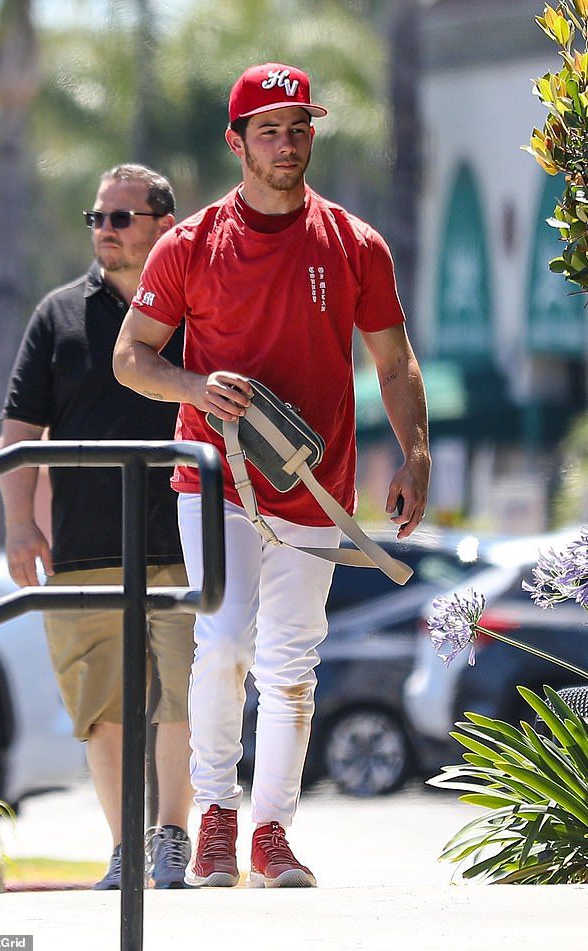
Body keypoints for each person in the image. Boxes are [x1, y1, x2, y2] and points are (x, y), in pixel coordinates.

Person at [113, 64, 431, 888]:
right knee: (221, 644)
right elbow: (131, 357)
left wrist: (417, 450)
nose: (286, 144)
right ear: (237, 142)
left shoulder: (356, 243)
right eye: (268, 130)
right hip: (214, 480)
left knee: (293, 661)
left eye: (298, 127)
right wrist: (192, 385)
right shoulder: (190, 244)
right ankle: (215, 812)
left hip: (317, 482)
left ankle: (272, 832)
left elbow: (394, 362)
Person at [0, 163, 195, 890]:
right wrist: (21, 520)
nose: (104, 230)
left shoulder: (196, 305)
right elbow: (20, 426)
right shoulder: (56, 315)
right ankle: (127, 848)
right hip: (82, 550)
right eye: (97, 218)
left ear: (163, 224)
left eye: (121, 217)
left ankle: (172, 837)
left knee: (184, 695)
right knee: (102, 707)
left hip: (183, 543)